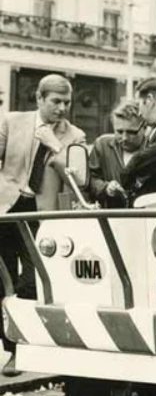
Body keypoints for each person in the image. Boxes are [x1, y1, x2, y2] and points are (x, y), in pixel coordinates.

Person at [0, 74, 87, 375]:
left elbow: (79, 179)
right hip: (6, 209)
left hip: (41, 217)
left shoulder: (74, 136)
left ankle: (23, 350)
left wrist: (55, 146)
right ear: (39, 98)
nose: (62, 108)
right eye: (55, 102)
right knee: (3, 281)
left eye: (67, 103)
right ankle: (11, 350)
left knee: (30, 284)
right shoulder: (11, 122)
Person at [87, 100, 145, 208]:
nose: (125, 138)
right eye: (119, 132)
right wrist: (106, 188)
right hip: (111, 215)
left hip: (144, 216)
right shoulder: (102, 145)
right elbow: (90, 179)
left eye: (131, 132)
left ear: (144, 128)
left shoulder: (153, 147)